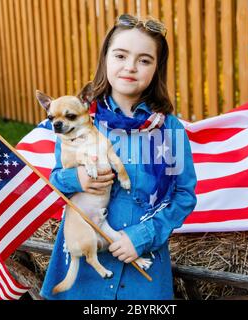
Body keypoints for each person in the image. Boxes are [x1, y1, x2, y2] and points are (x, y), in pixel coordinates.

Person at [40, 14, 197, 300]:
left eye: (144, 60)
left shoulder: (169, 129)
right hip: (82, 271)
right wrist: (77, 178)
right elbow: (54, 181)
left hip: (143, 269)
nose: (130, 67)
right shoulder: (79, 120)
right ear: (105, 60)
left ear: (156, 69)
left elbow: (184, 195)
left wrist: (143, 236)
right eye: (121, 55)